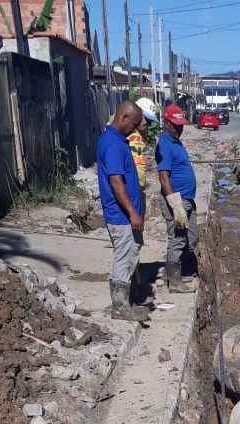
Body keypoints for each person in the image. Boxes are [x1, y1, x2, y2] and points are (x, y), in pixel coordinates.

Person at [97, 101, 149, 321]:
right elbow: (117, 183)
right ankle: (119, 307)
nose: (136, 128)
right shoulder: (113, 144)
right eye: (135, 124)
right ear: (123, 118)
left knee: (130, 255)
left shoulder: (117, 140)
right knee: (123, 258)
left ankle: (127, 300)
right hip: (121, 216)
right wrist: (133, 213)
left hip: (125, 215)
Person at [155, 104, 198, 294]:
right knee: (178, 239)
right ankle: (174, 281)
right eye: (176, 125)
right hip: (177, 201)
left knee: (192, 236)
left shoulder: (175, 141)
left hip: (187, 199)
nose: (180, 128)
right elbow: (164, 177)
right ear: (166, 123)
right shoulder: (164, 143)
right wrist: (176, 205)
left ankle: (185, 270)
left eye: (181, 125)